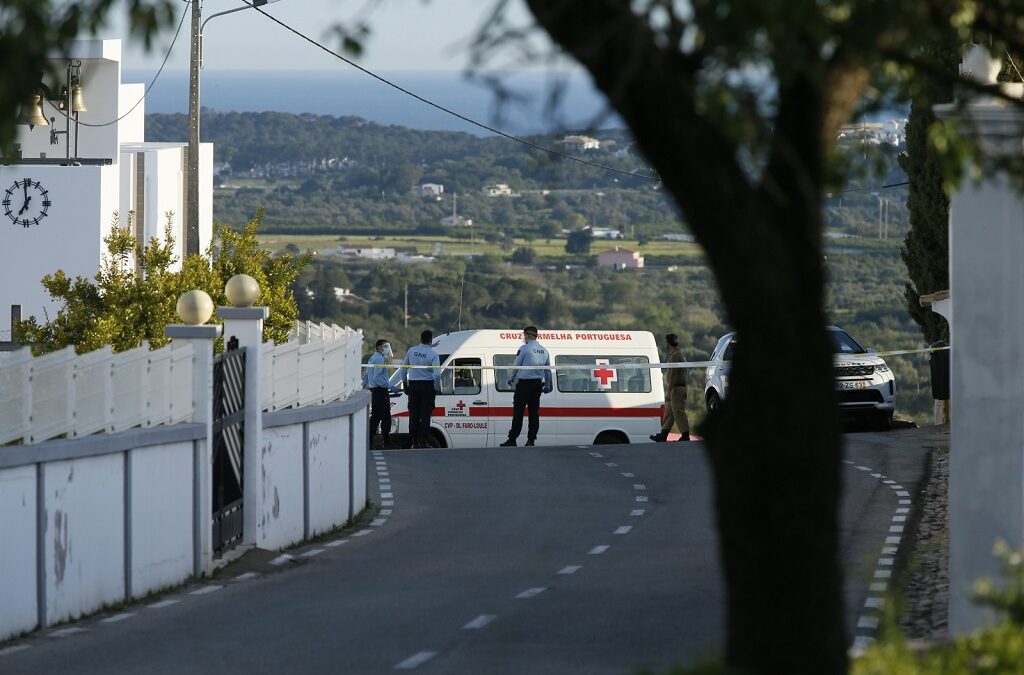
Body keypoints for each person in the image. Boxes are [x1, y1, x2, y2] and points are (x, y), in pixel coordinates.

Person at [500, 326, 553, 447]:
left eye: (524, 335)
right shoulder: (544, 350)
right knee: (534, 413)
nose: (523, 338)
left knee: (518, 412)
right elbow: (548, 371)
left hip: (524, 385)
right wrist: (548, 385)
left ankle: (512, 439)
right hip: (537, 385)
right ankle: (531, 440)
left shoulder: (524, 348)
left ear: (528, 335)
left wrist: (511, 378)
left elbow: (516, 365)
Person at [402, 329, 441, 449]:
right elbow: (437, 374)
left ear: (421, 339)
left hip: (413, 386)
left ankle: (413, 440)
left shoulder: (411, 351)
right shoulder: (433, 354)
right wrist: (436, 388)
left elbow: (404, 369)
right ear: (431, 340)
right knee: (425, 416)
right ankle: (423, 441)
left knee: (413, 415)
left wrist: (405, 385)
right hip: (427, 386)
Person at [651, 333, 690, 442]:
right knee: (669, 413)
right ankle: (663, 434)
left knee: (678, 412)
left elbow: (674, 375)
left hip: (676, 389)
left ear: (668, 344)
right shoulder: (679, 354)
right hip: (677, 388)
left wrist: (668, 391)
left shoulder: (675, 356)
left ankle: (685, 435)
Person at [363, 339, 400, 449]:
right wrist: (390, 387)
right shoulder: (379, 358)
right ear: (379, 347)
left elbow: (366, 375)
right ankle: (387, 442)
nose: (388, 349)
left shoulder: (372, 358)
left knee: (375, 417)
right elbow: (377, 377)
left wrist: (361, 385)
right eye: (385, 346)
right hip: (380, 391)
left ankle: (369, 442)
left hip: (374, 391)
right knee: (385, 416)